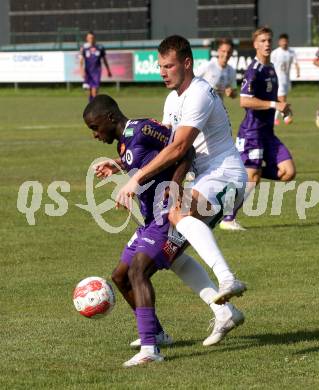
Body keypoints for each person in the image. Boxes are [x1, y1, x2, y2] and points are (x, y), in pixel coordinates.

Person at [83, 95, 245, 367]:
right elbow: (145, 159)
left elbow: (185, 150)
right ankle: (159, 331)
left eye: (95, 127)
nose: (95, 134)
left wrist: (176, 184)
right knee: (120, 276)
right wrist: (119, 164)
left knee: (138, 271)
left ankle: (150, 349)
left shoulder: (143, 128)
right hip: (149, 219)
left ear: (110, 118)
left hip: (165, 216)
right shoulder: (125, 141)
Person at [115, 35, 248, 307]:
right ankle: (225, 314)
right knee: (170, 252)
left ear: (187, 64)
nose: (163, 73)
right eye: (160, 67)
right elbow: (162, 147)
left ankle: (227, 278)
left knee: (178, 213)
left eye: (169, 66)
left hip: (225, 174)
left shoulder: (199, 93)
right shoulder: (172, 100)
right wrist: (120, 164)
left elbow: (179, 148)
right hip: (205, 177)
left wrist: (137, 178)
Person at [220, 26, 296, 231]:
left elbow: (275, 98)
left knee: (288, 172)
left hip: (268, 133)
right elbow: (244, 101)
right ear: (255, 45)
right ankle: (228, 219)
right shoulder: (253, 70)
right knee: (252, 177)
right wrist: (274, 105)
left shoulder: (271, 68)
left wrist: (284, 109)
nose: (267, 44)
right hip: (252, 132)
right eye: (262, 41)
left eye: (269, 40)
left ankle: (248, 175)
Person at [271, 33, 300, 125]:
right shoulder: (275, 52)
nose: (284, 43)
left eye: (286, 41)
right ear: (279, 42)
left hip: (286, 79)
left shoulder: (291, 52)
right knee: (282, 100)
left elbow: (296, 63)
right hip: (278, 79)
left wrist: (298, 71)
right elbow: (270, 65)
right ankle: (285, 117)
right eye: (282, 41)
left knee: (282, 99)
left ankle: (278, 117)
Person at [80, 31, 112, 102]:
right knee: (89, 91)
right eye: (89, 38)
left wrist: (108, 70)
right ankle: (91, 106)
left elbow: (104, 60)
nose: (91, 39)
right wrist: (81, 70)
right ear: (87, 39)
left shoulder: (100, 48)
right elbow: (81, 61)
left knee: (94, 92)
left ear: (94, 38)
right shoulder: (84, 48)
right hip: (88, 71)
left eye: (92, 38)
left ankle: (94, 107)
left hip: (96, 72)